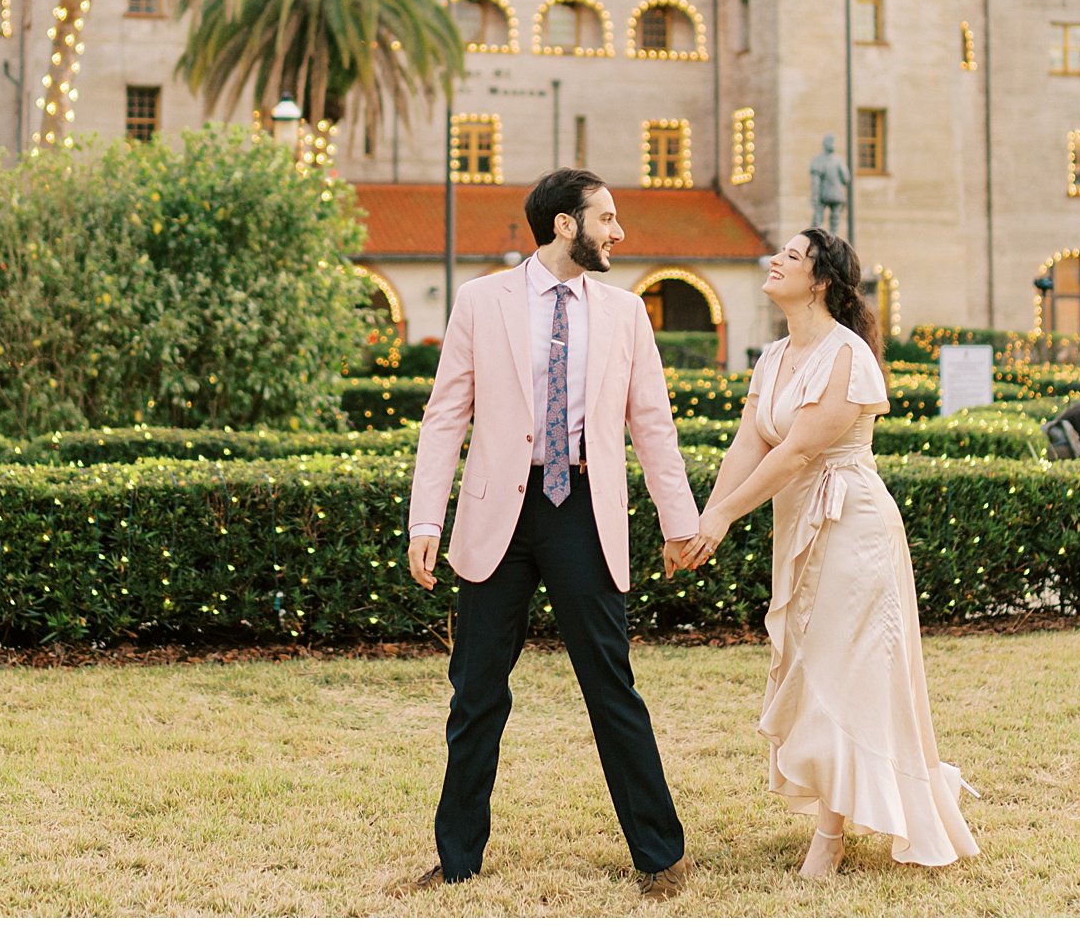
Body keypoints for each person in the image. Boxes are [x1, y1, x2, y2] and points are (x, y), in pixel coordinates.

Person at [404, 169, 703, 898]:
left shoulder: (627, 313)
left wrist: (679, 520)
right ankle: (457, 859)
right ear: (565, 225)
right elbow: (446, 414)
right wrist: (425, 516)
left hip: (584, 510)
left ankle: (660, 856)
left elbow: (651, 424)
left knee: (611, 686)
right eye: (605, 217)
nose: (618, 231)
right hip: (496, 513)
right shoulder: (482, 302)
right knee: (476, 691)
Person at [678, 227, 979, 879]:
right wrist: (705, 516)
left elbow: (800, 451)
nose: (773, 260)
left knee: (847, 673)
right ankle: (840, 807)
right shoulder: (772, 356)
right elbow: (749, 445)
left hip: (853, 527)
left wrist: (726, 518)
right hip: (799, 527)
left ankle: (830, 836)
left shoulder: (847, 356)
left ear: (819, 281)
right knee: (811, 666)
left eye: (789, 255)